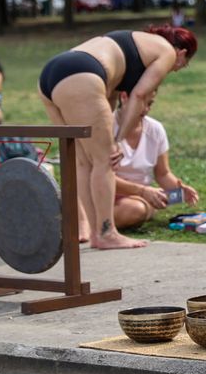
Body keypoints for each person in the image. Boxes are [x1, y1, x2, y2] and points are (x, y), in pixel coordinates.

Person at [38, 24, 197, 250]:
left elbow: (109, 103)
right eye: (184, 63)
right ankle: (107, 233)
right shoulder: (167, 52)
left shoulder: (130, 49)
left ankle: (95, 232)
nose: (178, 68)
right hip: (82, 73)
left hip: (51, 74)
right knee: (105, 160)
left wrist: (112, 139)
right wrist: (118, 141)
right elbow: (140, 95)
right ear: (181, 53)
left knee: (83, 161)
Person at [112, 88, 199, 229]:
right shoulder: (106, 127)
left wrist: (179, 190)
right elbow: (102, 177)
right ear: (124, 97)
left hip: (139, 197)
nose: (146, 109)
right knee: (136, 210)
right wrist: (142, 191)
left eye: (150, 104)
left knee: (140, 207)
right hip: (107, 197)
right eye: (142, 103)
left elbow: (163, 174)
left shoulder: (155, 129)